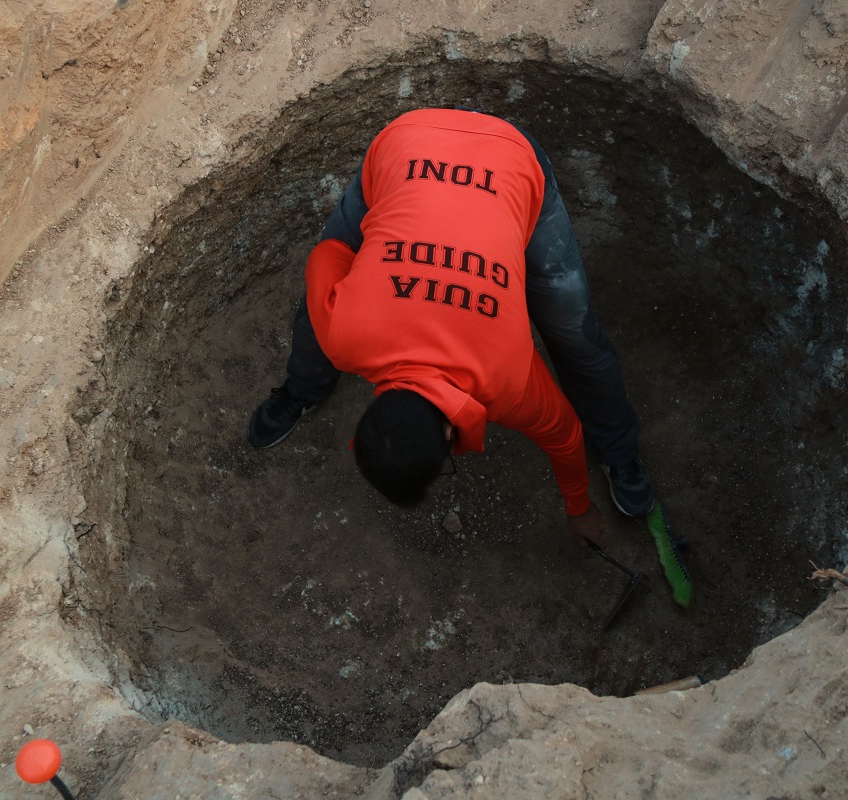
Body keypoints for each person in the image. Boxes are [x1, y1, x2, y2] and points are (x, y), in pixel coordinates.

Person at [248, 108, 653, 543]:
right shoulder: (346, 336)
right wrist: (375, 277)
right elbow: (328, 257)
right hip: (409, 146)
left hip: (503, 156)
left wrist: (579, 508)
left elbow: (565, 435)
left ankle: (619, 452)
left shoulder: (508, 383)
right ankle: (301, 391)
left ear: (445, 432)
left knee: (576, 338)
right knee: (321, 315)